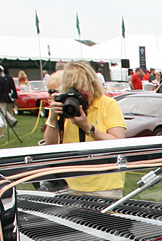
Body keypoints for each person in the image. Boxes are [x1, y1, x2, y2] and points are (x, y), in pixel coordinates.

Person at [43, 61, 127, 197]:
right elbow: (49, 145)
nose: (78, 95)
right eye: (73, 90)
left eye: (82, 90)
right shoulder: (64, 106)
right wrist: (53, 117)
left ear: (92, 86)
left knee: (107, 219)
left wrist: (88, 128)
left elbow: (118, 142)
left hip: (105, 186)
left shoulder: (108, 104)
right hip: (70, 184)